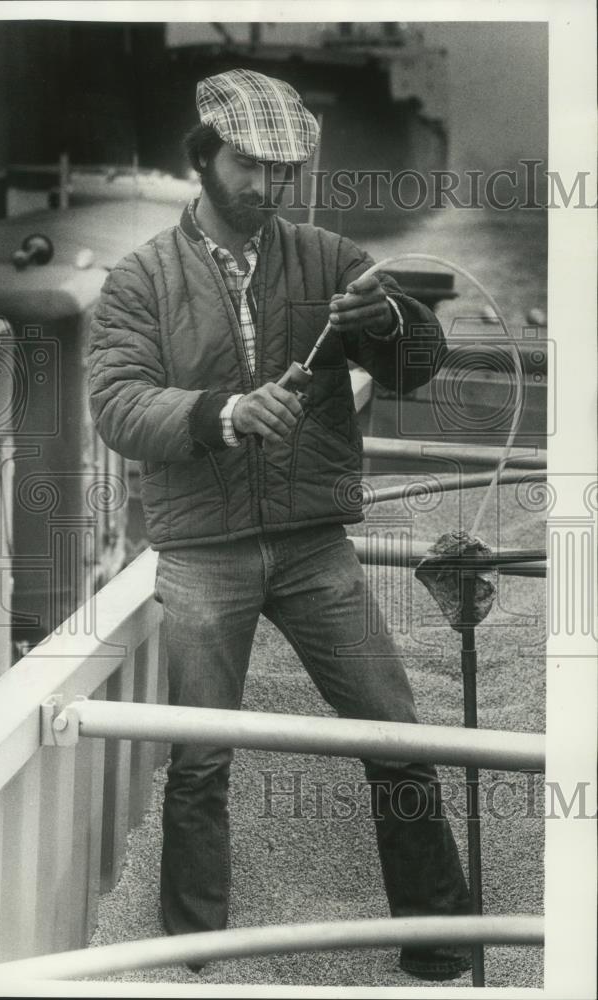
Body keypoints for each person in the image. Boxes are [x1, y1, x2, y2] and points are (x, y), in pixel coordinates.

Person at [88, 68, 471, 981]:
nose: (266, 186)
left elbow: (420, 367)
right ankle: (194, 952)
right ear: (203, 158)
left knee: (397, 733)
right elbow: (115, 404)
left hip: (312, 543)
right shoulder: (141, 276)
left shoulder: (333, 257)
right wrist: (222, 414)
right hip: (199, 551)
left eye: (283, 170)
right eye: (248, 165)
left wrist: (390, 321)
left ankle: (442, 945)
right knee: (201, 757)